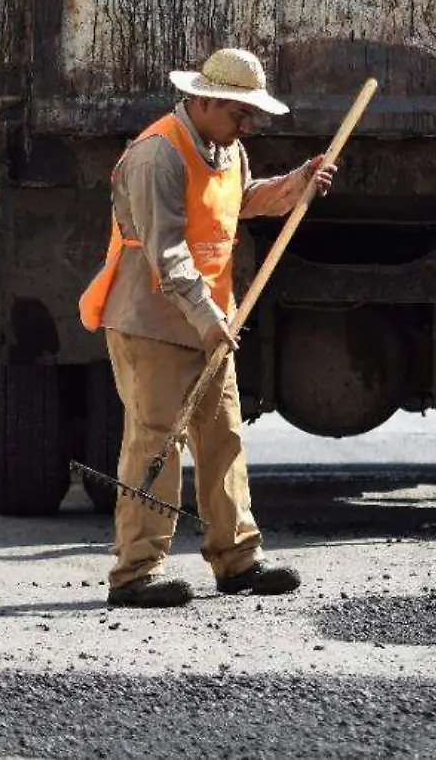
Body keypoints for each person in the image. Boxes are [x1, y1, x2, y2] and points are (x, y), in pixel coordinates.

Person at [79, 48, 337, 608]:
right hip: (152, 324)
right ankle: (135, 573)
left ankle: (237, 560)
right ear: (202, 100)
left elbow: (239, 202)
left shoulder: (227, 149)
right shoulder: (156, 156)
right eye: (239, 113)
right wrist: (210, 318)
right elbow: (167, 255)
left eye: (250, 116)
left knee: (222, 439)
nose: (247, 125)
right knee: (156, 441)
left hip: (210, 321)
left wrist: (298, 183)